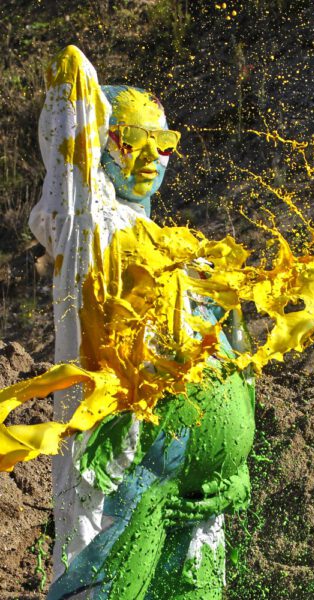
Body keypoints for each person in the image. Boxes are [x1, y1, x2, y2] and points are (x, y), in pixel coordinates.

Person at [29, 45, 255, 599]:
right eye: (128, 141)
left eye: (164, 143)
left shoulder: (183, 251)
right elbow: (71, 118)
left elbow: (237, 355)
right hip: (120, 466)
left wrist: (233, 460)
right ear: (101, 145)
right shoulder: (88, 228)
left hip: (199, 489)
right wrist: (87, 101)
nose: (149, 156)